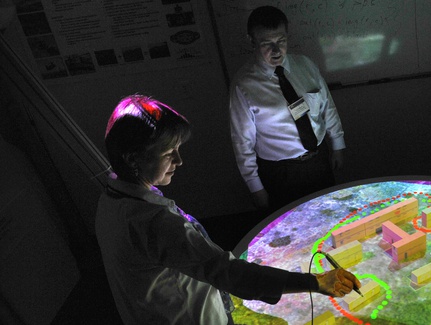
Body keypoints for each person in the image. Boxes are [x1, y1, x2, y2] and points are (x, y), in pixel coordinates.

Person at [96, 95, 360, 325]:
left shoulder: (111, 199)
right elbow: (228, 273)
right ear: (133, 158)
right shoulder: (154, 222)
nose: (179, 160)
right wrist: (316, 282)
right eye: (168, 153)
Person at [229, 5, 346, 213]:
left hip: (318, 161)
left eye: (281, 41)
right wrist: (255, 187)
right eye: (267, 44)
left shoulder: (306, 65)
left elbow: (327, 105)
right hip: (280, 173)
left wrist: (337, 144)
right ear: (252, 41)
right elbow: (242, 142)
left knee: (330, 218)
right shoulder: (243, 85)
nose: (276, 51)